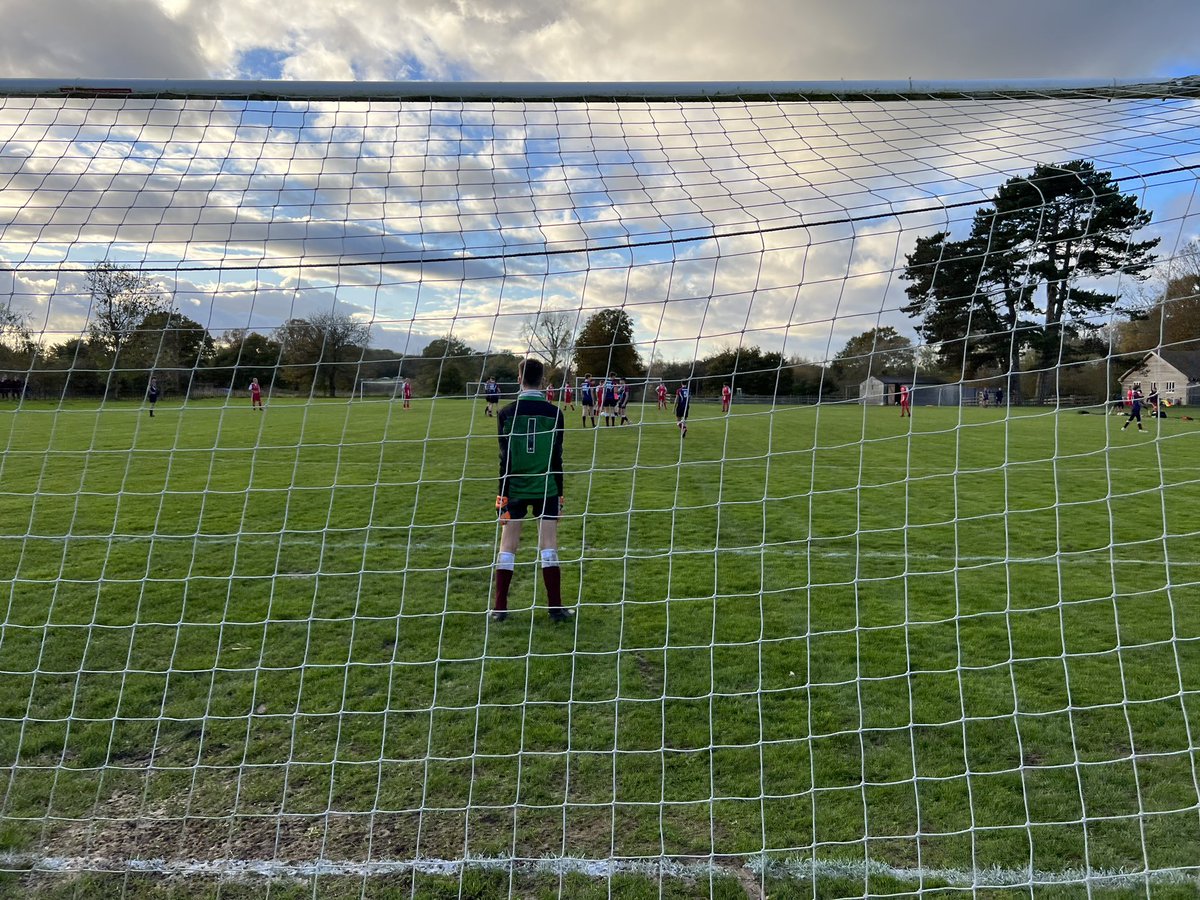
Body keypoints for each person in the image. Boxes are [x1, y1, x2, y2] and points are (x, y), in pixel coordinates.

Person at [492, 357, 572, 624]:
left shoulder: (505, 413)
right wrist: (560, 493)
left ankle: (500, 609)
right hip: (546, 485)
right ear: (544, 381)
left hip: (514, 486)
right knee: (548, 544)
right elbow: (557, 458)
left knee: (508, 545)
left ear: (519, 378)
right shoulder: (555, 413)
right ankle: (556, 609)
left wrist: (502, 493)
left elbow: (505, 458)